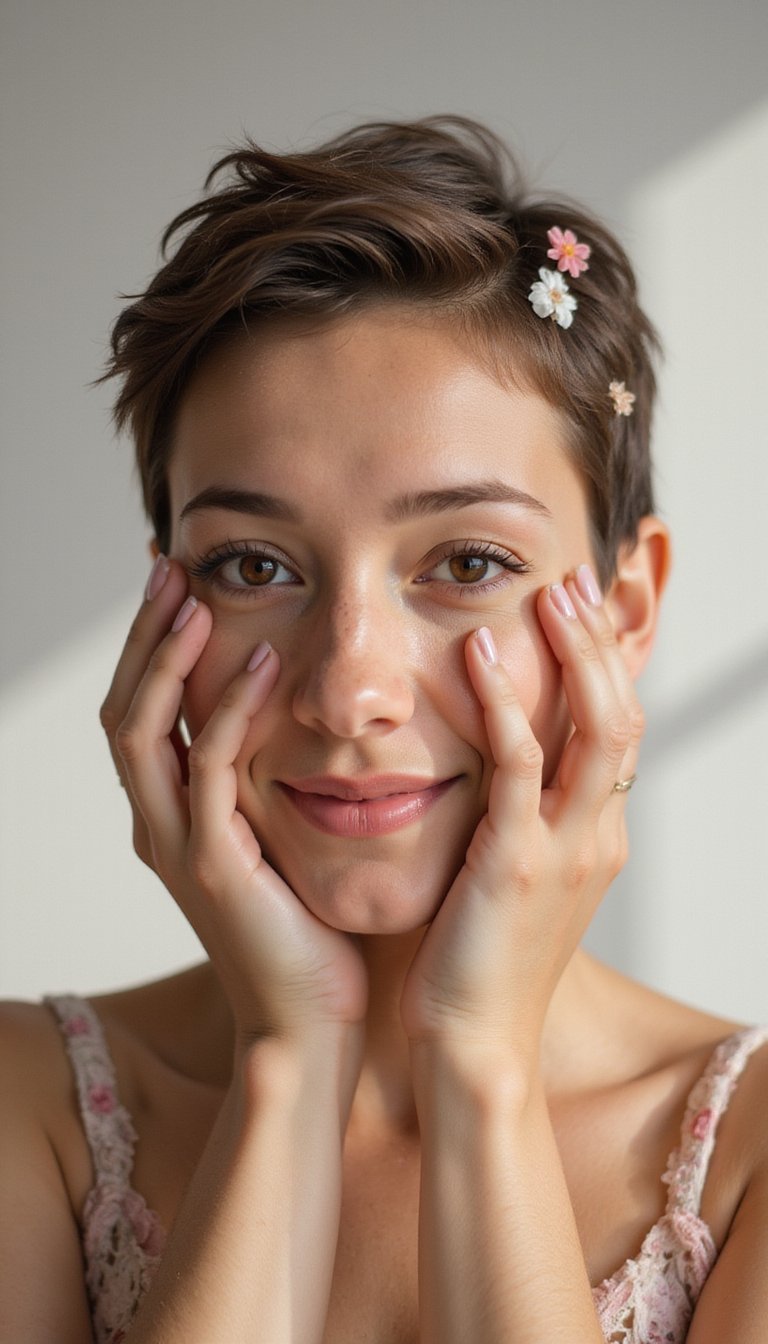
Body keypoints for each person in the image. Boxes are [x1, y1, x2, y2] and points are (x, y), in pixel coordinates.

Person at [1, 116, 765, 1344]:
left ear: (624, 614)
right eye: (254, 564)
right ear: (162, 619)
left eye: (468, 560)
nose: (349, 691)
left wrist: (480, 1066)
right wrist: (289, 1064)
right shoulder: (27, 1105)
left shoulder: (746, 1155)